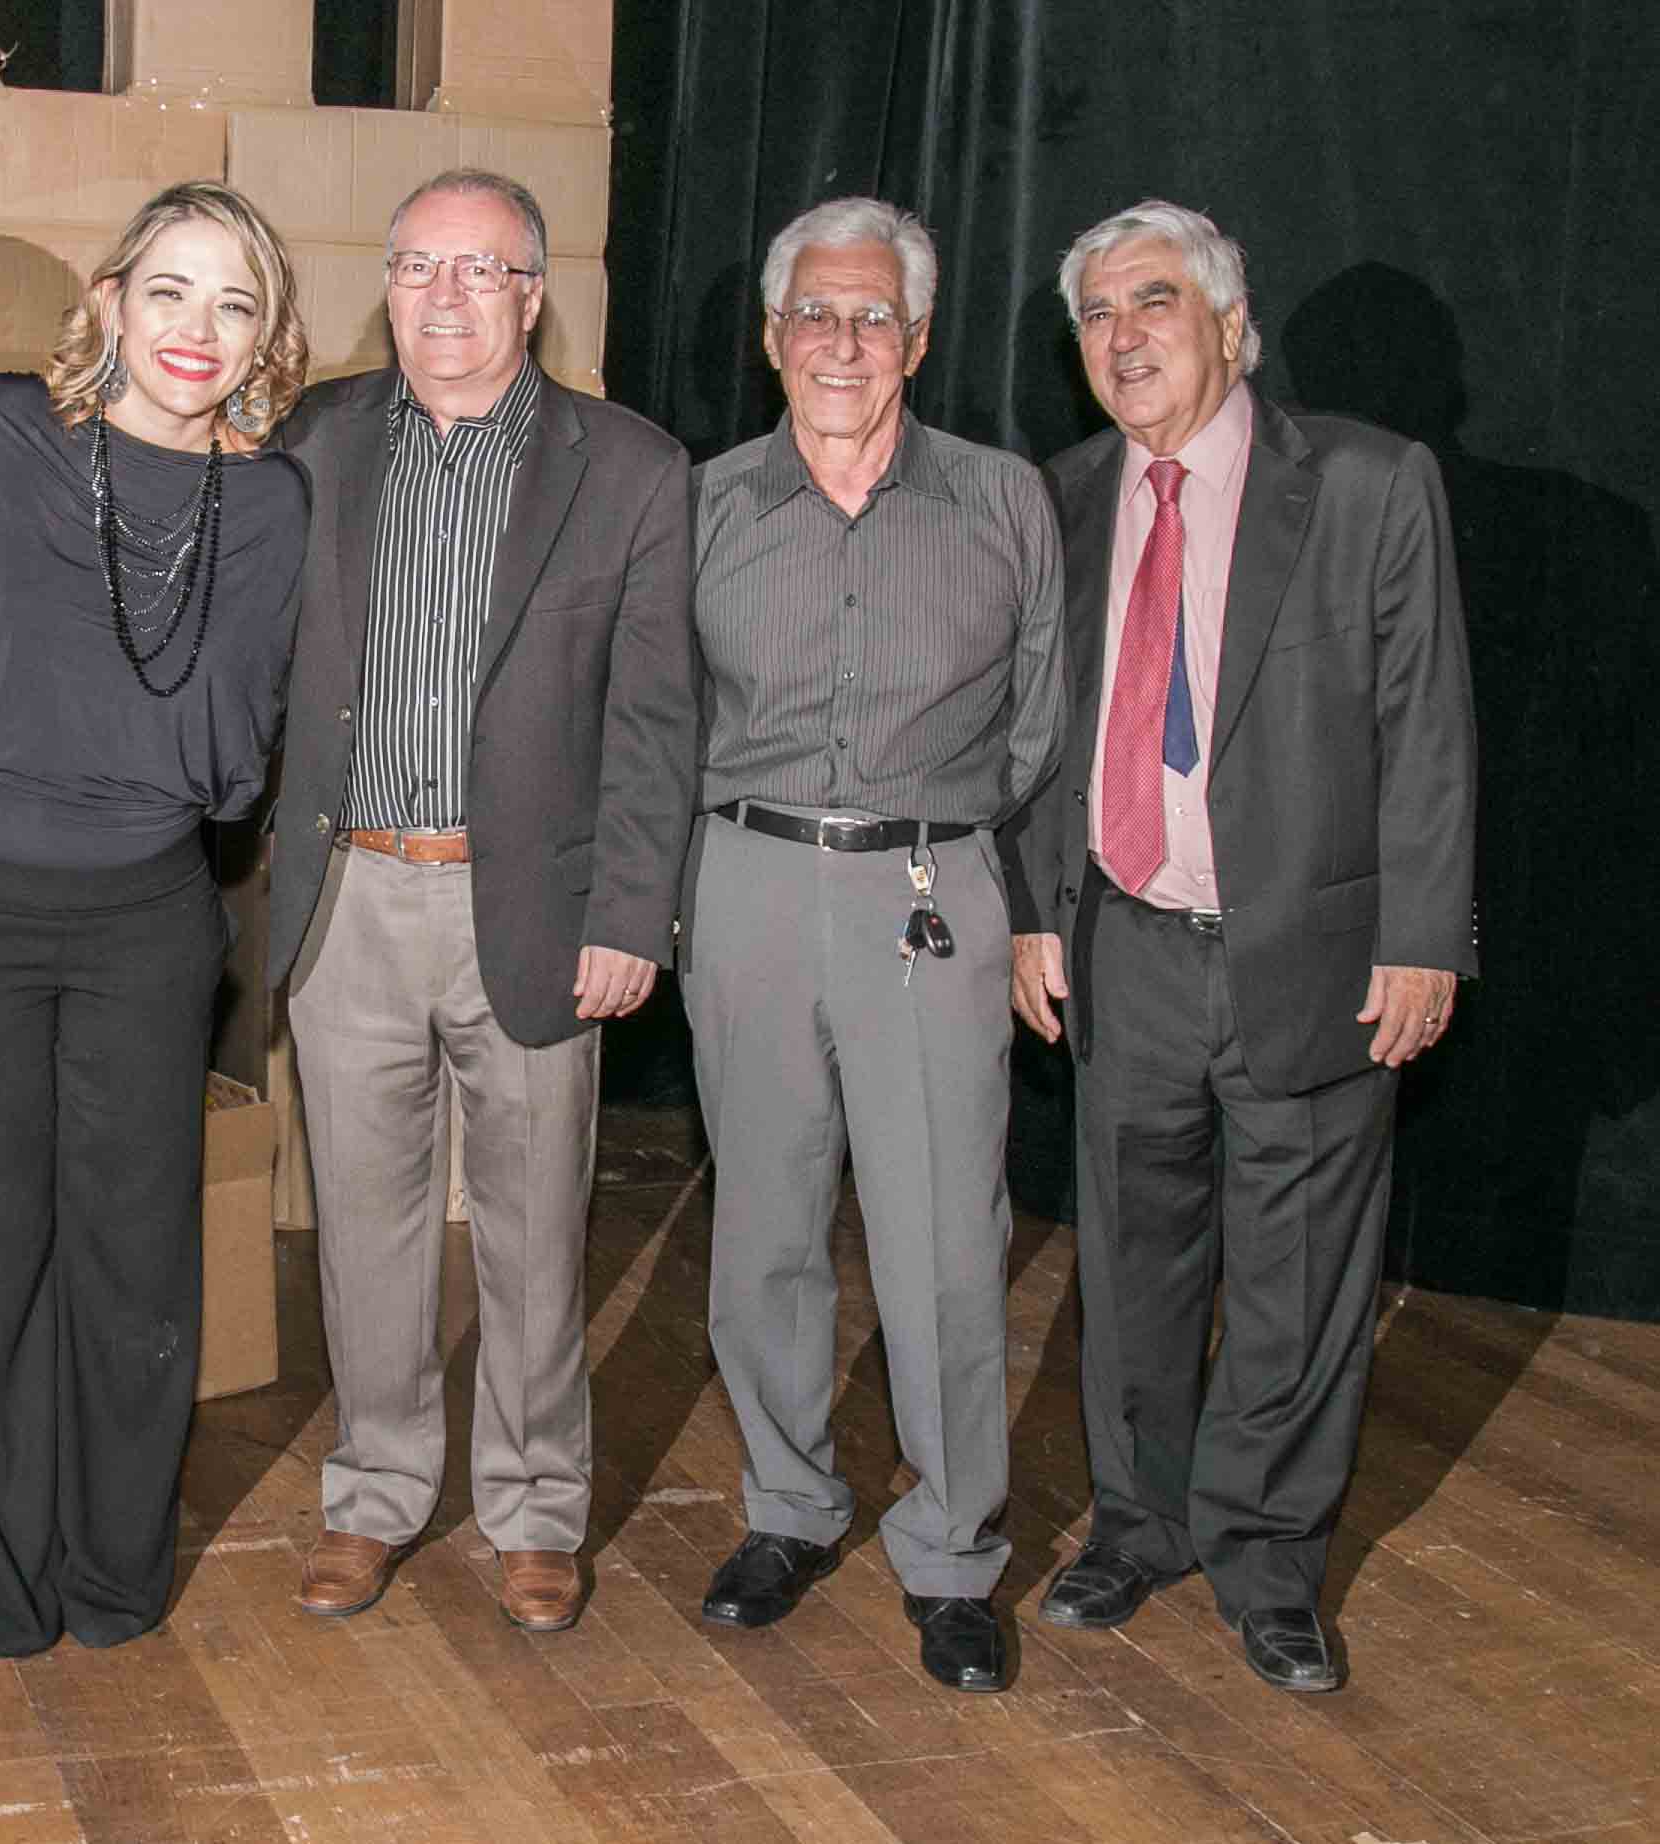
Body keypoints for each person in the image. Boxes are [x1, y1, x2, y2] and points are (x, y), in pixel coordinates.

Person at [1003, 199, 1476, 1693]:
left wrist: (1422, 936)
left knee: (1299, 1277)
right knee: (1131, 1264)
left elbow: (1427, 724)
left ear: (1227, 321)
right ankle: (1137, 1527)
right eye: (1095, 313)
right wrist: (1033, 908)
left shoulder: (1365, 483)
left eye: (1152, 301)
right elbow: (1035, 733)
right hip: (1122, 942)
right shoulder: (1063, 496)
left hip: (1315, 950)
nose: (1122, 335)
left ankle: (1269, 1563)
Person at [0, 181, 312, 1657]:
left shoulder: (272, 506)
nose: (198, 328)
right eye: (170, 289)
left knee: (136, 1263)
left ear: (265, 341)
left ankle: (118, 1574)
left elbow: (248, 736)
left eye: (236, 303)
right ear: (109, 300)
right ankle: (13, 1581)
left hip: (147, 918)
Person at [268, 168, 698, 1634]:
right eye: (417, 267)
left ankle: (534, 1508)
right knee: (363, 1226)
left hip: (534, 908)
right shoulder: (311, 439)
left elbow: (655, 717)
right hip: (347, 896)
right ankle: (373, 1493)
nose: (444, 297)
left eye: (479, 270)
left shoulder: (627, 467)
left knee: (533, 1232)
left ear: (530, 297)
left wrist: (630, 913)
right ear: (386, 285)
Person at [679, 197, 1065, 1693]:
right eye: (815, 315)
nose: (842, 343)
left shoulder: (1000, 501)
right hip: (745, 885)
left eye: (873, 316)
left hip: (930, 893)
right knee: (763, 1229)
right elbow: (657, 718)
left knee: (947, 1246)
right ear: (771, 335)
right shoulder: (706, 506)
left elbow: (1038, 724)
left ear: (918, 338)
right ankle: (787, 1508)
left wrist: (976, 864)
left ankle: (954, 1552)